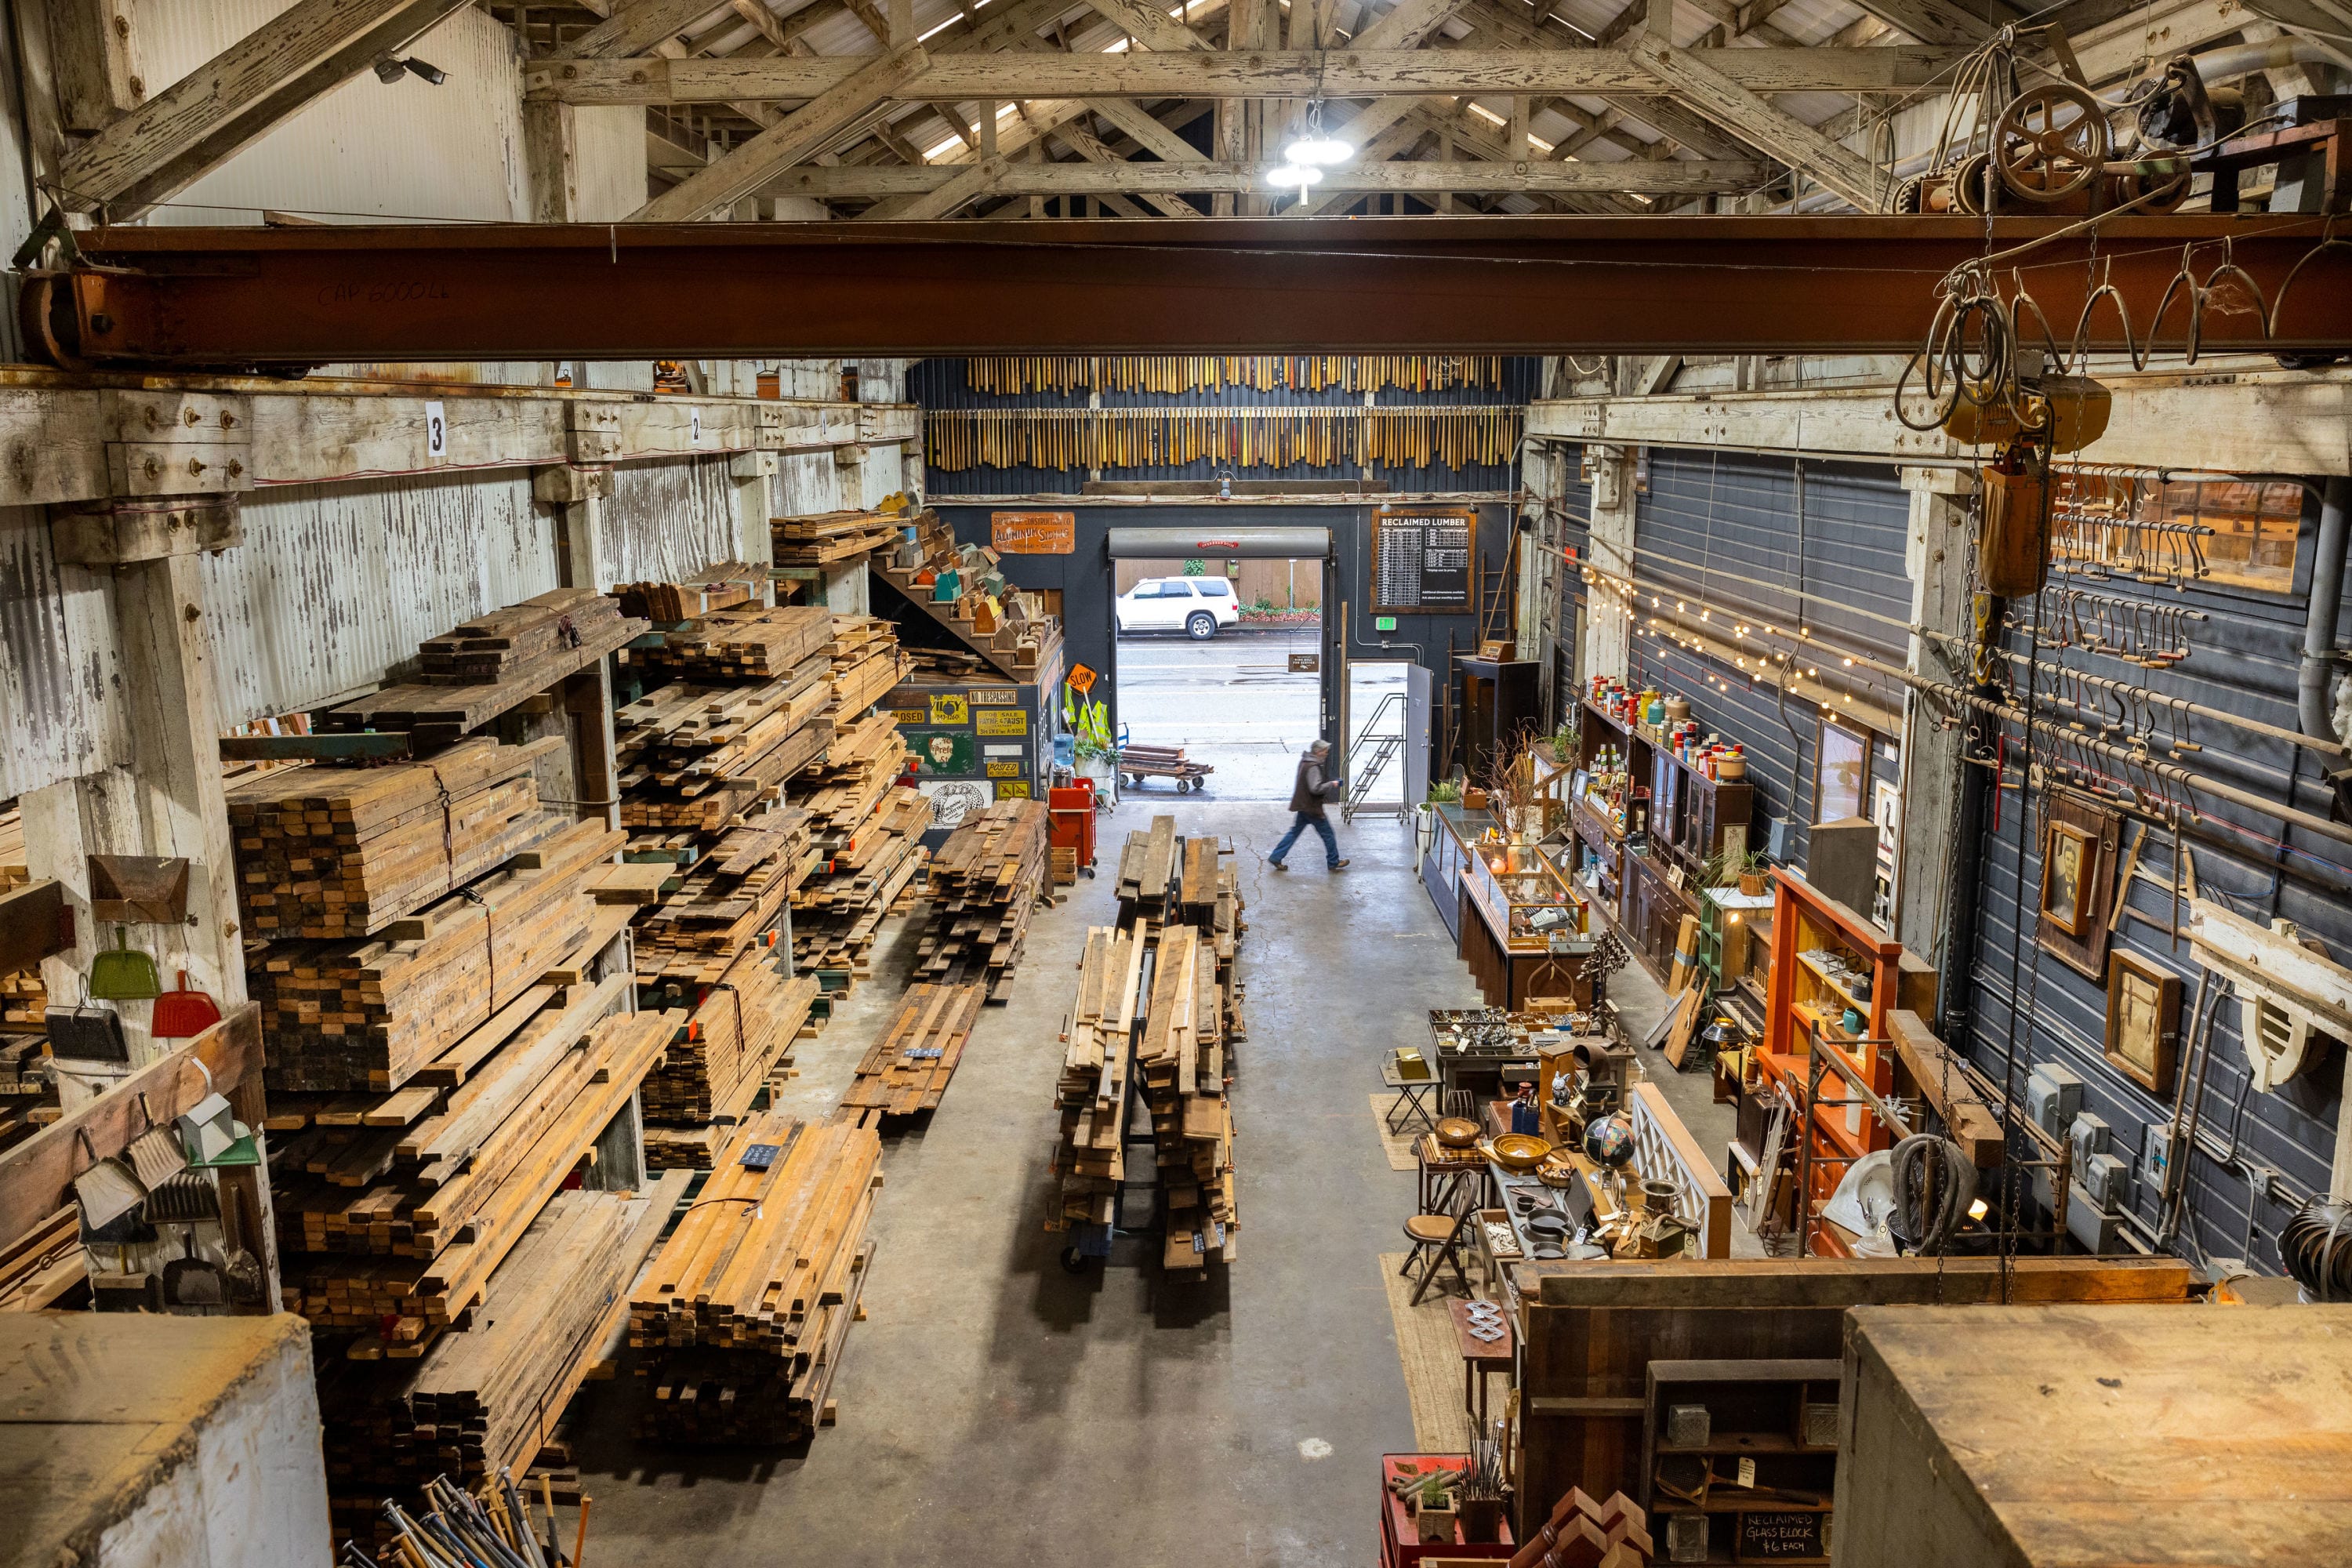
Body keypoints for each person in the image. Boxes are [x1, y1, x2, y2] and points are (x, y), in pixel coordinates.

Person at [1270, 738, 1348, 872]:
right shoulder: (1313, 767)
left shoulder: (1305, 762)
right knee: (1328, 834)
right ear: (1318, 752)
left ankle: (1276, 856)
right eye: (1325, 751)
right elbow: (1315, 788)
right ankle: (1333, 861)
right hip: (1312, 808)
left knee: (1294, 832)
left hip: (1304, 806)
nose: (1326, 754)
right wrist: (1332, 784)